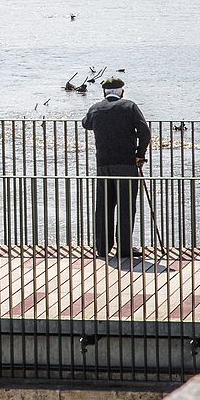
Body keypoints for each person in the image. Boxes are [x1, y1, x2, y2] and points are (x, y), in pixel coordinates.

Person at [82, 76, 150, 263]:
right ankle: (124, 247)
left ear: (104, 92)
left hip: (103, 163)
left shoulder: (96, 107)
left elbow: (86, 123)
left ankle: (103, 247)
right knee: (126, 205)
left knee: (104, 205)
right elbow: (145, 132)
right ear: (122, 91)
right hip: (127, 163)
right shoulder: (129, 106)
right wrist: (140, 154)